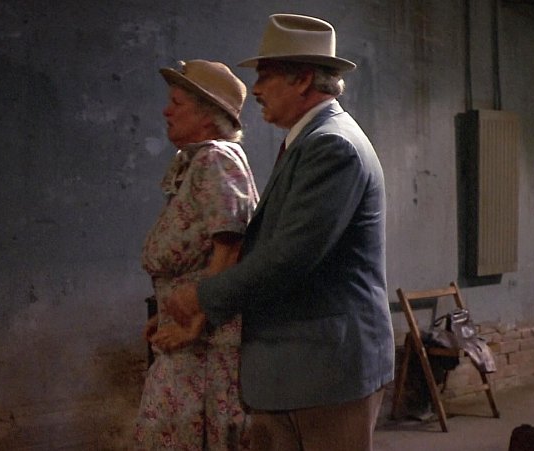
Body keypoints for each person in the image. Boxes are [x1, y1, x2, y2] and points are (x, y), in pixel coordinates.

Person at [165, 14, 394, 451]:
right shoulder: (309, 141)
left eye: (266, 76)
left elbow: (289, 256)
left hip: (323, 374)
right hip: (298, 372)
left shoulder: (332, 145)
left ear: (303, 80)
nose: (255, 90)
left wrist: (201, 297)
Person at [134, 59, 259, 450]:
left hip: (205, 348)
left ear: (208, 117)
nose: (165, 111)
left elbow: (231, 244)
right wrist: (167, 313)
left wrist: (197, 321)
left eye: (177, 103)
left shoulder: (215, 159)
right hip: (188, 339)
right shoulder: (198, 161)